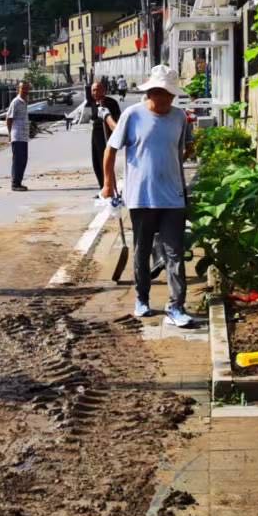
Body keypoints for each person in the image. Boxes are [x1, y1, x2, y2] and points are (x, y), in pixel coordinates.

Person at [101, 64, 195, 327]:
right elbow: (110, 149)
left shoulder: (180, 117)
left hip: (173, 196)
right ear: (150, 92)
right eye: (160, 93)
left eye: (169, 94)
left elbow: (187, 146)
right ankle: (142, 299)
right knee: (142, 251)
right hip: (141, 196)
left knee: (175, 253)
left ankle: (176, 307)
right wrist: (108, 184)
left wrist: (173, 163)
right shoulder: (133, 115)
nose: (165, 99)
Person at [86, 78, 122, 188]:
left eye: (97, 90)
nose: (95, 92)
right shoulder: (93, 103)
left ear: (103, 91)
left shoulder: (111, 103)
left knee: (105, 162)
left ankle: (110, 187)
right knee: (96, 162)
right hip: (96, 134)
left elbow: (117, 120)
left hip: (106, 134)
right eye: (93, 90)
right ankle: (103, 188)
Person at [5, 80, 31, 191]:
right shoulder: (16, 102)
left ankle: (18, 183)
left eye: (27, 88)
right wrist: (10, 134)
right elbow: (8, 119)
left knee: (23, 160)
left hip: (24, 136)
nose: (25, 91)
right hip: (17, 135)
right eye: (23, 88)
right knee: (18, 160)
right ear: (18, 89)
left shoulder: (25, 101)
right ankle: (15, 184)